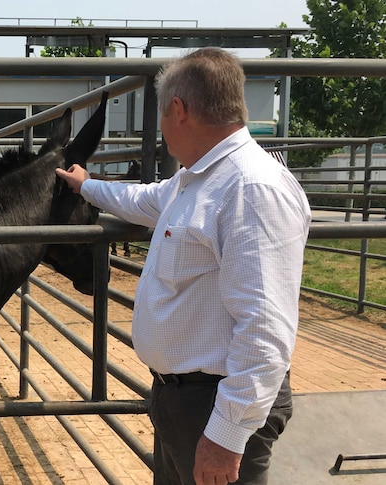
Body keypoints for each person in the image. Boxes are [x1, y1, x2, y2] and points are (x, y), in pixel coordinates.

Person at [56, 47, 311, 485]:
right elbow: (141, 199)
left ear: (178, 110)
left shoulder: (250, 188)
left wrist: (226, 437)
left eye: (160, 115)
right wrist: (87, 185)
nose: (160, 130)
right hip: (183, 401)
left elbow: (266, 329)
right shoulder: (195, 180)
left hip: (215, 406)